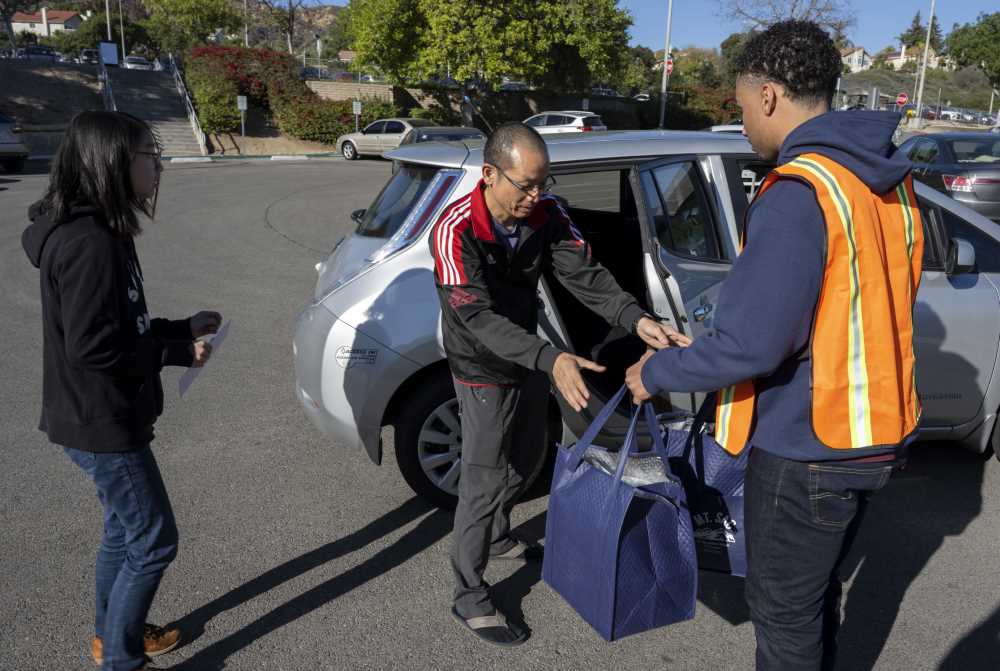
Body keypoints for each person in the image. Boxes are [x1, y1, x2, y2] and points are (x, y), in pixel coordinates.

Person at [625, 21, 923, 671]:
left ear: (767, 97)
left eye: (738, 107)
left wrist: (657, 371)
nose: (741, 123)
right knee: (815, 600)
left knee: (783, 616)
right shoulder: (884, 181)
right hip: (875, 432)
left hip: (807, 448)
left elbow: (751, 345)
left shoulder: (799, 191)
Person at [430, 122, 684, 646]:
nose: (535, 196)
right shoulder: (452, 230)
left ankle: (499, 536)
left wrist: (636, 319)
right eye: (524, 185)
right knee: (482, 479)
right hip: (480, 366)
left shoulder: (548, 213)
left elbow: (584, 276)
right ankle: (469, 593)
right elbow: (475, 318)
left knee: (527, 457)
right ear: (489, 175)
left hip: (528, 356)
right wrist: (552, 358)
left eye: (541, 184)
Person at [21, 111, 222, 671]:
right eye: (146, 154)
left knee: (121, 530)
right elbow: (92, 348)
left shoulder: (100, 229)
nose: (157, 165)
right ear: (111, 163)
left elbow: (120, 325)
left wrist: (181, 328)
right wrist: (176, 352)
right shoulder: (88, 242)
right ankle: (121, 659)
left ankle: (110, 638)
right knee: (155, 541)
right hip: (101, 420)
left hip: (96, 415)